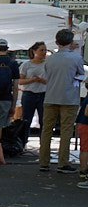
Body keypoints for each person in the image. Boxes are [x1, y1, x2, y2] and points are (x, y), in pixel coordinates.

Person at [39, 29, 84, 174]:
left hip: (51, 95)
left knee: (46, 130)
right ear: (71, 42)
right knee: (66, 130)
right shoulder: (76, 59)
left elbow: (47, 74)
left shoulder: (49, 59)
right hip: (69, 97)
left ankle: (43, 162)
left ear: (56, 42)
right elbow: (81, 74)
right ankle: (62, 162)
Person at [18, 41, 48, 148]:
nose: (44, 53)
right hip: (29, 94)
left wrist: (42, 80)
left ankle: (44, 145)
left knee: (44, 120)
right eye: (41, 50)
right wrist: (32, 80)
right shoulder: (26, 65)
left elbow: (51, 81)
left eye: (45, 50)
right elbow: (20, 81)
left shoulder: (47, 64)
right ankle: (23, 143)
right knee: (26, 120)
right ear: (34, 52)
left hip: (43, 94)